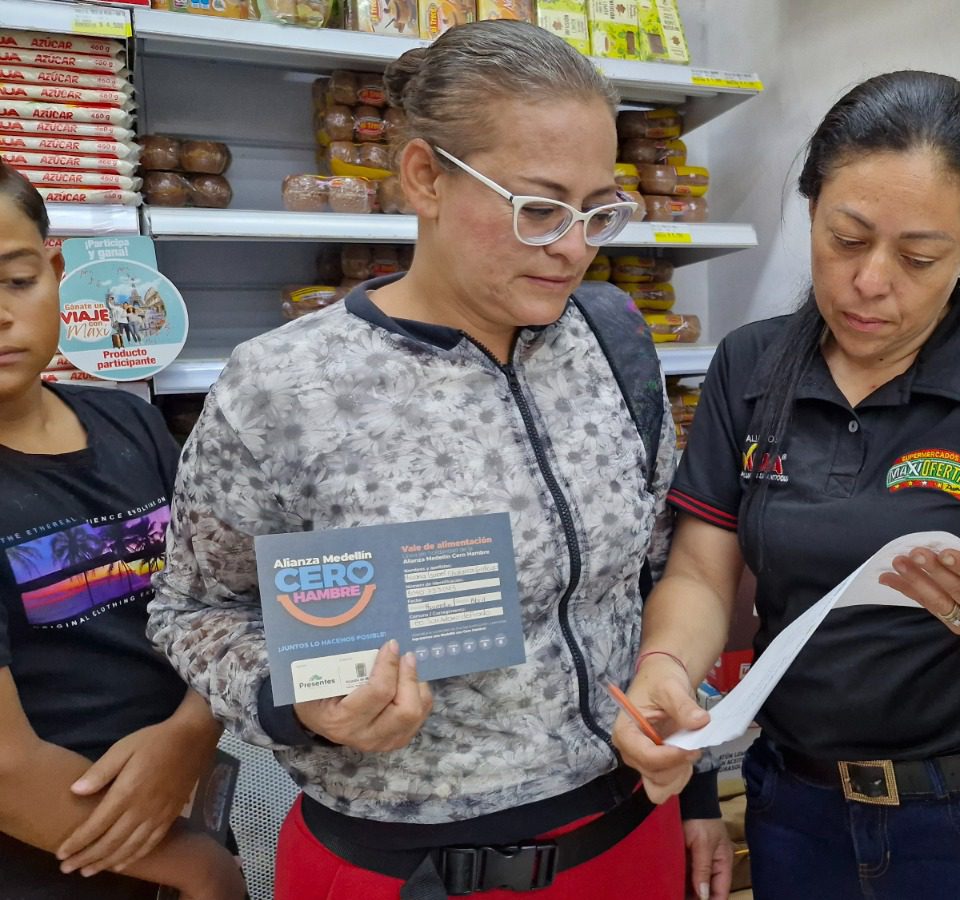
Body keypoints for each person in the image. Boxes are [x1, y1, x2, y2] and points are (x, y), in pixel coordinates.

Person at [147, 20, 732, 900]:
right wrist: (303, 703)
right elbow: (196, 606)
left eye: (598, 210)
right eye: (539, 208)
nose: (576, 247)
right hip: (399, 868)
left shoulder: (614, 341)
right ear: (423, 175)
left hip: (623, 838)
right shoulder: (283, 386)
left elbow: (652, 569)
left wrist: (668, 682)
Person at [614, 71, 960, 900]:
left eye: (919, 256)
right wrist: (668, 668)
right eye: (846, 239)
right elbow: (699, 572)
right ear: (811, 208)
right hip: (796, 807)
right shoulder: (750, 366)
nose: (870, 281)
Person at [0, 162, 244, 900]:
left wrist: (191, 733)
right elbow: (7, 770)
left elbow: (216, 603)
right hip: (56, 862)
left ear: (55, 269)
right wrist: (201, 868)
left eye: (14, 281)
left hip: (188, 798)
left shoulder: (128, 420)